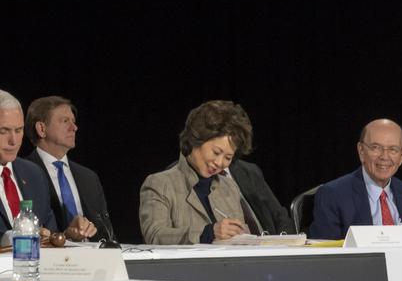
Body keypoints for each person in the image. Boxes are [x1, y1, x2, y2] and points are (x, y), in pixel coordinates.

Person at [139, 100, 253, 244]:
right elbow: (155, 236)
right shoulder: (160, 184)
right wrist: (208, 233)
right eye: (216, 152)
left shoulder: (230, 187)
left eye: (228, 157)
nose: (220, 163)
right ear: (196, 140)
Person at [309, 118, 402, 239]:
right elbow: (325, 249)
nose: (384, 157)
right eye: (376, 147)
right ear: (361, 150)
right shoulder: (333, 195)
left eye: (393, 149)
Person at [24, 95, 113, 241]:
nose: (74, 128)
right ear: (41, 129)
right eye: (65, 121)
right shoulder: (23, 175)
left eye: (73, 121)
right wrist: (65, 236)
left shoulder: (89, 178)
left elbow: (107, 233)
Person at [0, 89, 84, 242]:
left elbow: (49, 233)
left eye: (18, 130)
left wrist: (65, 236)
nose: (13, 141)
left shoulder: (34, 174)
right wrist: (10, 238)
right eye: (3, 131)